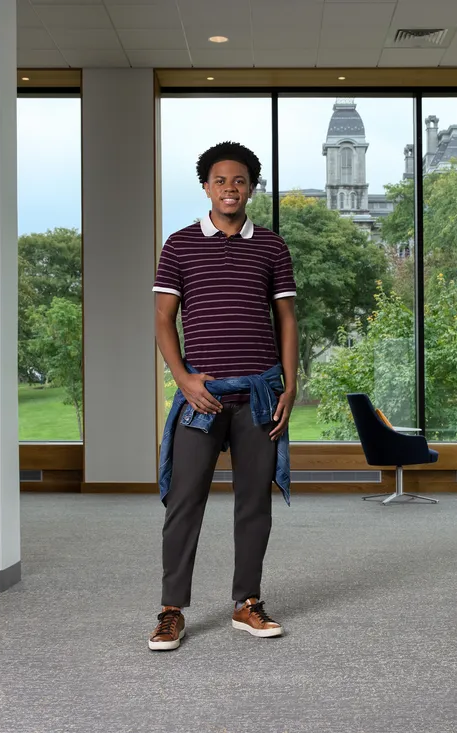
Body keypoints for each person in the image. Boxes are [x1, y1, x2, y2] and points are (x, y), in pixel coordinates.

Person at [149, 141, 299, 652]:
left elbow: (287, 319)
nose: (230, 188)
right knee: (184, 501)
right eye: (220, 180)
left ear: (251, 188)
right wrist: (184, 378)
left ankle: (247, 603)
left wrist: (290, 383)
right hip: (202, 397)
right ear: (206, 187)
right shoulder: (179, 246)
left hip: (259, 393)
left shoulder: (272, 247)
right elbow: (163, 320)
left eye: (239, 181)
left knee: (253, 502)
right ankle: (172, 610)